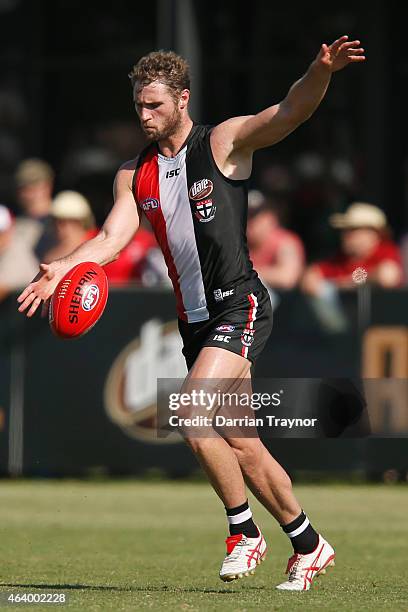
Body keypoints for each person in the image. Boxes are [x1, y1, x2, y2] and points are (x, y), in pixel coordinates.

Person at [17, 36, 365, 591]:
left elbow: (290, 111)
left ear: (182, 99)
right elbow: (110, 238)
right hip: (196, 320)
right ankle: (308, 542)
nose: (145, 115)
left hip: (240, 302)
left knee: (192, 416)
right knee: (243, 445)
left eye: (154, 104)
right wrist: (60, 267)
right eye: (138, 105)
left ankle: (243, 532)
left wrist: (320, 71)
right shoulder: (134, 174)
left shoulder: (222, 143)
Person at [302, 202, 403, 294]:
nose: (345, 235)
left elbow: (387, 276)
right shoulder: (342, 258)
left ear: (373, 234)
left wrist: (344, 284)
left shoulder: (386, 252)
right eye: (344, 229)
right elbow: (312, 275)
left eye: (353, 229)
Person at [247, 191, 305, 291]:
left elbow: (287, 278)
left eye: (254, 217)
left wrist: (246, 273)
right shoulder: (236, 243)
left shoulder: (285, 242)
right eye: (245, 216)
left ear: (271, 218)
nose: (249, 222)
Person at [14, 158, 57, 260]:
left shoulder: (64, 220)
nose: (30, 193)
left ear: (48, 186)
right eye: (24, 187)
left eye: (35, 185)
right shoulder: (14, 224)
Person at [0, 204, 38, 303]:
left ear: (10, 230)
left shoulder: (15, 249)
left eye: (1, 232)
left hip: (29, 314)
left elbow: (1, 289)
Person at [43, 191, 95, 263]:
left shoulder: (102, 247)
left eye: (72, 221)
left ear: (82, 222)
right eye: (58, 221)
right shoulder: (50, 257)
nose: (61, 227)